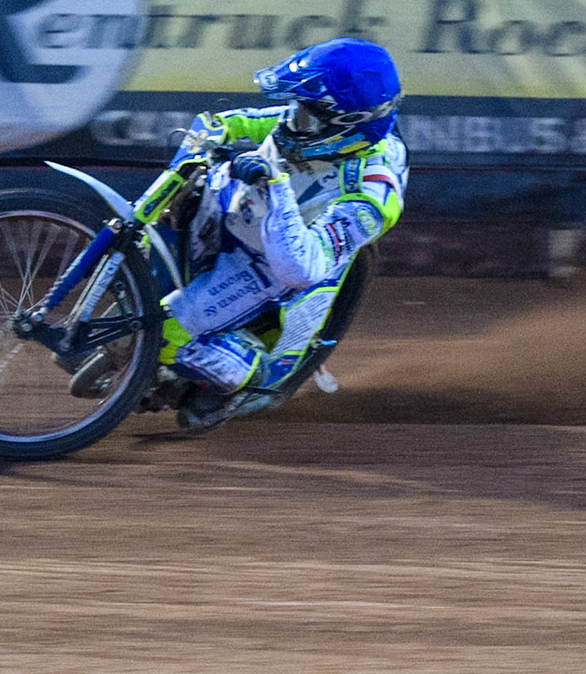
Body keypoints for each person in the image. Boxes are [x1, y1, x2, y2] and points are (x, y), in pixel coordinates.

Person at [154, 37, 407, 428]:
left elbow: (301, 267)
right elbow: (226, 122)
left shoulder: (374, 195)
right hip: (248, 212)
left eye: (305, 113)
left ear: (342, 126)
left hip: (281, 259)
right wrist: (197, 147)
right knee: (186, 199)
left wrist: (275, 185)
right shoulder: (310, 121)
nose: (291, 120)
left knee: (166, 331)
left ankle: (253, 374)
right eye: (295, 107)